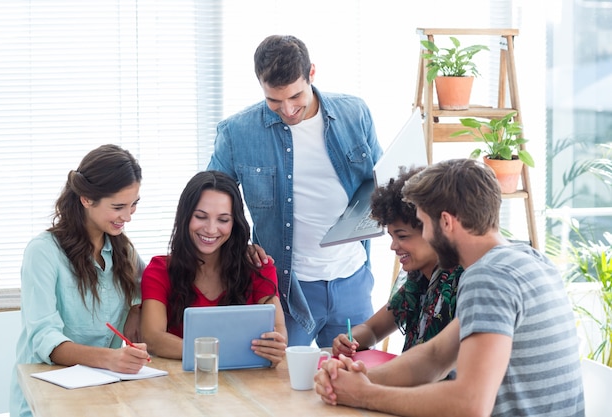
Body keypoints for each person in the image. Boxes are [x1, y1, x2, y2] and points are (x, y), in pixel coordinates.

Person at [315, 158, 585, 417]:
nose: (429, 236)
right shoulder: (527, 260)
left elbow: (471, 405)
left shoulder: (488, 277)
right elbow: (434, 357)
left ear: (446, 222)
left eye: (425, 223)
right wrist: (357, 379)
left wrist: (365, 395)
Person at [207, 34, 383, 347]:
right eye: (274, 101)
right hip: (286, 287)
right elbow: (209, 199)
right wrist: (240, 244)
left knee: (356, 385)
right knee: (277, 387)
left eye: (296, 97)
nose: (287, 110)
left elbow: (382, 184)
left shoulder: (355, 113)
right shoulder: (237, 132)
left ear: (311, 73)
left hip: (352, 281)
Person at [10, 144, 149, 417]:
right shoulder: (44, 252)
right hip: (45, 397)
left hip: (102, 392)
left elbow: (155, 283)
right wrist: (111, 359)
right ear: (86, 198)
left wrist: (136, 308)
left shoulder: (123, 250)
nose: (128, 216)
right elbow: (45, 339)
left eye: (134, 204)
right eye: (118, 207)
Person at [140, 170, 287, 366]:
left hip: (249, 382)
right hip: (182, 386)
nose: (210, 229)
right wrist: (220, 352)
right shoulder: (159, 270)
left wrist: (276, 344)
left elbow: (277, 327)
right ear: (185, 217)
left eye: (223, 220)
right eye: (201, 216)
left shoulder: (258, 266)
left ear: (235, 223)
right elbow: (153, 338)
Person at [332, 166, 462, 357]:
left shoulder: (462, 283)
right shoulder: (416, 280)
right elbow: (373, 330)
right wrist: (349, 339)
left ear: (435, 228)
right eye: (392, 236)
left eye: (402, 236)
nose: (393, 246)